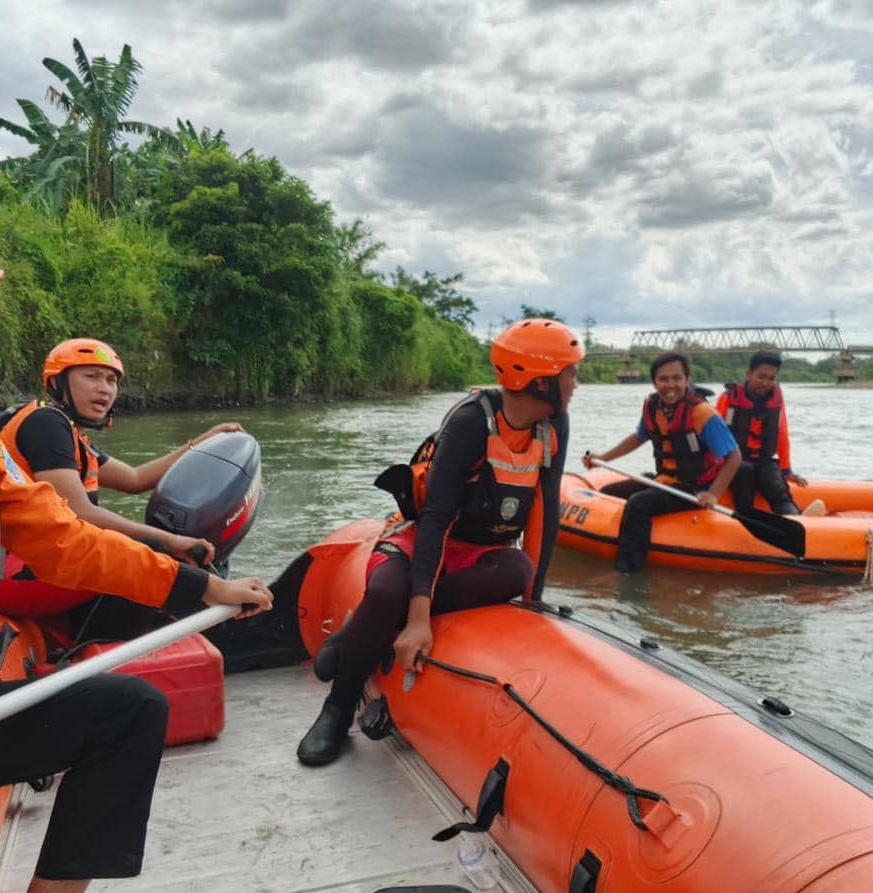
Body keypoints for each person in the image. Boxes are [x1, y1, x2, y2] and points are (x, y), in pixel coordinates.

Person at [0, 201, 272, 893]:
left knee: (130, 712)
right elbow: (80, 522)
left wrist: (199, 588)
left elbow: (66, 538)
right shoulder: (39, 428)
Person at [296, 318, 582, 767]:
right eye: (570, 373)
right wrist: (417, 618)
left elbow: (544, 514)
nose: (576, 383)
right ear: (539, 381)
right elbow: (435, 518)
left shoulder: (554, 427)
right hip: (422, 537)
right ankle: (336, 708)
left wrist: (535, 599)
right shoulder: (471, 422)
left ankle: (365, 627)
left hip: (481, 550)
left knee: (516, 572)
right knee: (389, 591)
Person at [0, 339, 243, 638]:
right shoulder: (45, 424)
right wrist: (171, 541)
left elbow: (135, 479)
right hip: (17, 575)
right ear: (58, 383)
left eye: (111, 381)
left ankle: (209, 624)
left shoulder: (72, 435)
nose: (104, 389)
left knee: (163, 547)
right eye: (92, 376)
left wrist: (199, 443)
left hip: (35, 568)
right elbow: (81, 514)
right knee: (157, 550)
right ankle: (106, 643)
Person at [583, 351, 741, 573]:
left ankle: (629, 573)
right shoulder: (652, 406)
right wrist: (603, 458)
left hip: (692, 488)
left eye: (677, 378)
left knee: (639, 504)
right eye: (663, 379)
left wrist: (713, 494)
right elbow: (639, 436)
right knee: (610, 492)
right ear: (655, 382)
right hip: (665, 480)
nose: (670, 385)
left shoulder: (702, 413)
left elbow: (734, 456)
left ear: (687, 380)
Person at [715, 350, 808, 515]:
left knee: (777, 488)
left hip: (764, 461)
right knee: (745, 472)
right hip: (733, 462)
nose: (766, 383)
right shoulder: (729, 398)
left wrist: (786, 470)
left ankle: (797, 520)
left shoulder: (776, 401)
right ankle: (745, 521)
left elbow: (782, 434)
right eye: (761, 376)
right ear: (749, 374)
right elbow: (713, 434)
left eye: (771, 378)